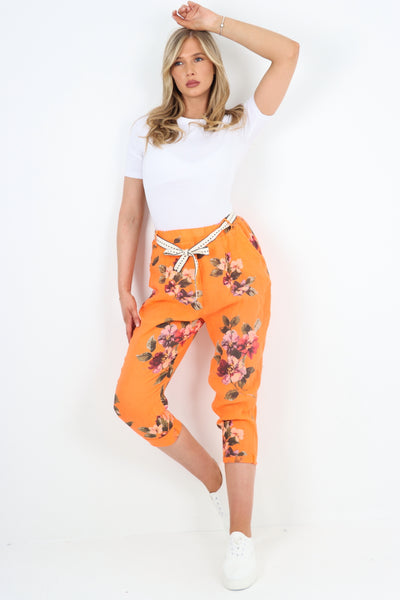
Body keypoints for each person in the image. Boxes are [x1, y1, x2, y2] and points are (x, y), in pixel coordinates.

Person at [114, 2, 299, 591]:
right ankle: (214, 480)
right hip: (170, 278)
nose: (190, 69)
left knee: (237, 402)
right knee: (133, 401)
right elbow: (131, 214)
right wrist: (123, 287)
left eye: (199, 59)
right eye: (179, 61)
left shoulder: (239, 123)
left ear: (215, 65)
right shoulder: (147, 130)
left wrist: (213, 22)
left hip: (233, 270)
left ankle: (241, 536)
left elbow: (288, 53)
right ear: (168, 72)